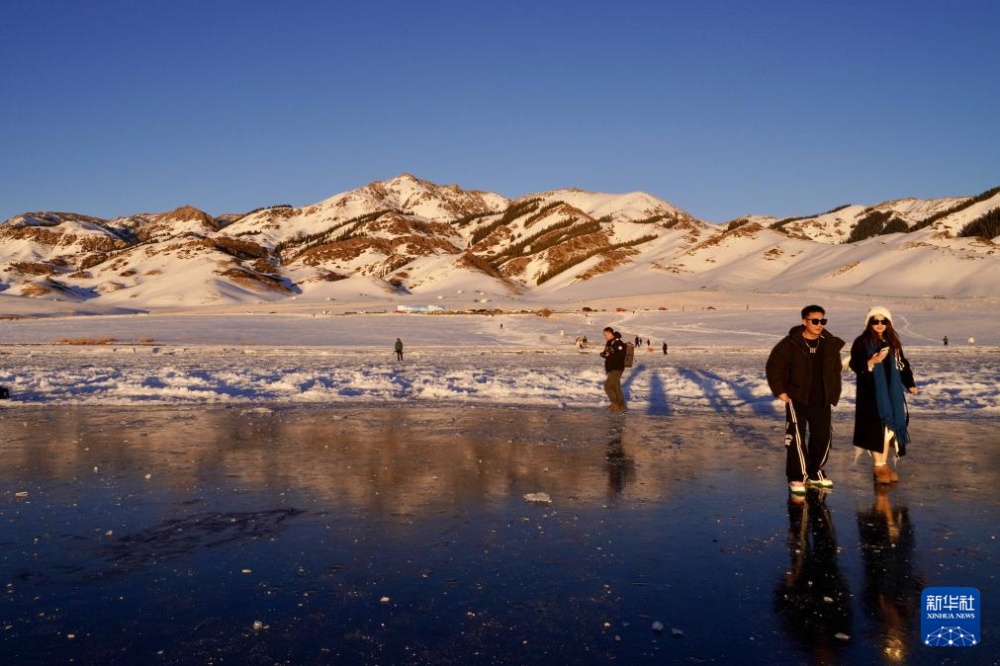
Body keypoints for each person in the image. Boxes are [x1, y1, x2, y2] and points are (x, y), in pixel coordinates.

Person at [766, 305, 845, 495]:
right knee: (796, 439)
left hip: (822, 398)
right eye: (815, 321)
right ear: (804, 321)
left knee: (823, 438)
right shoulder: (790, 344)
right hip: (797, 398)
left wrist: (833, 391)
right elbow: (774, 367)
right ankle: (797, 476)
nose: (819, 325)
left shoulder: (829, 343)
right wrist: (780, 391)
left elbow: (835, 370)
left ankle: (814, 472)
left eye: (822, 321)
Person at [849, 307, 918, 484]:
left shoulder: (893, 342)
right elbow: (856, 364)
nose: (879, 325)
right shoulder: (862, 342)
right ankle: (878, 466)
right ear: (869, 323)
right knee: (876, 430)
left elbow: (903, 364)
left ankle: (883, 464)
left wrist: (909, 383)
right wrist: (872, 361)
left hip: (891, 393)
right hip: (871, 395)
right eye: (875, 321)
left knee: (888, 432)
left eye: (883, 321)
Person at [601, 327, 627, 412]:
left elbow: (620, 356)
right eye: (604, 335)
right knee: (616, 387)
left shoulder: (619, 343)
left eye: (606, 334)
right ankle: (621, 406)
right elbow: (608, 353)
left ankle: (615, 404)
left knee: (607, 386)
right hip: (611, 368)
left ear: (611, 333)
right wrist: (604, 354)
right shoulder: (609, 342)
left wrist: (609, 355)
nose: (605, 336)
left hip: (617, 368)